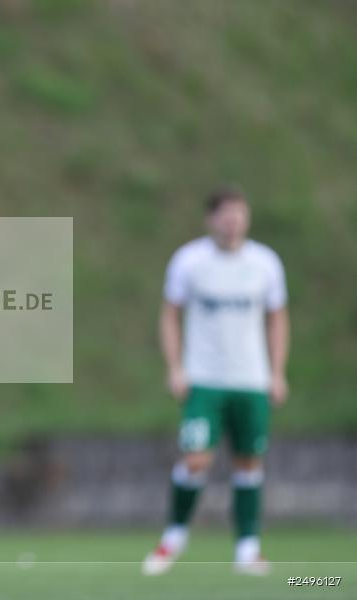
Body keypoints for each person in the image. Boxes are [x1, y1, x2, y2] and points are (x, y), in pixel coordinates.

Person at [142, 185, 289, 576]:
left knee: (248, 462)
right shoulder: (189, 262)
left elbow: (276, 319)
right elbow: (170, 314)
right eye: (226, 214)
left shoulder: (266, 263)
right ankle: (173, 536)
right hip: (205, 379)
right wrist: (175, 367)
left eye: (239, 214)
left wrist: (276, 372)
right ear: (211, 220)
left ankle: (247, 548)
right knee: (195, 460)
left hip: (250, 379)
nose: (233, 222)